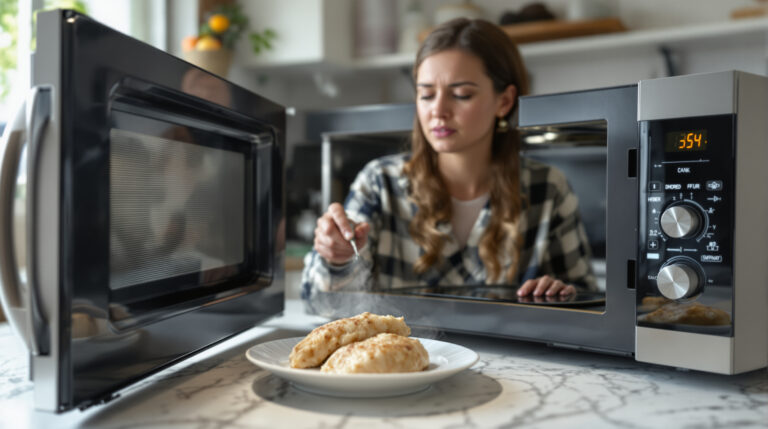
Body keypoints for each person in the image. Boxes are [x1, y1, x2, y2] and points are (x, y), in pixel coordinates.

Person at [301, 18, 596, 303]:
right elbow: (318, 303)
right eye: (426, 95)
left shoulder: (548, 189)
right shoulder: (379, 183)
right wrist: (335, 258)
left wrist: (562, 294)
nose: (438, 110)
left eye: (461, 94)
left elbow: (588, 300)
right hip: (406, 354)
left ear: (504, 102)